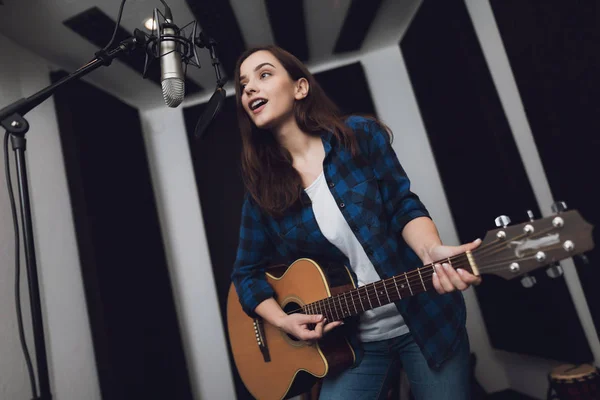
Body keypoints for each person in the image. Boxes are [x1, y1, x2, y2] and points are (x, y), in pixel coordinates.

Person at [230, 44, 482, 400]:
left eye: (264, 75)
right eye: (243, 85)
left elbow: (402, 205)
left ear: (300, 88)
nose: (250, 88)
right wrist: (284, 320)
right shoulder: (261, 193)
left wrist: (432, 249)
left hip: (427, 323)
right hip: (352, 347)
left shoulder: (358, 137)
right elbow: (245, 273)